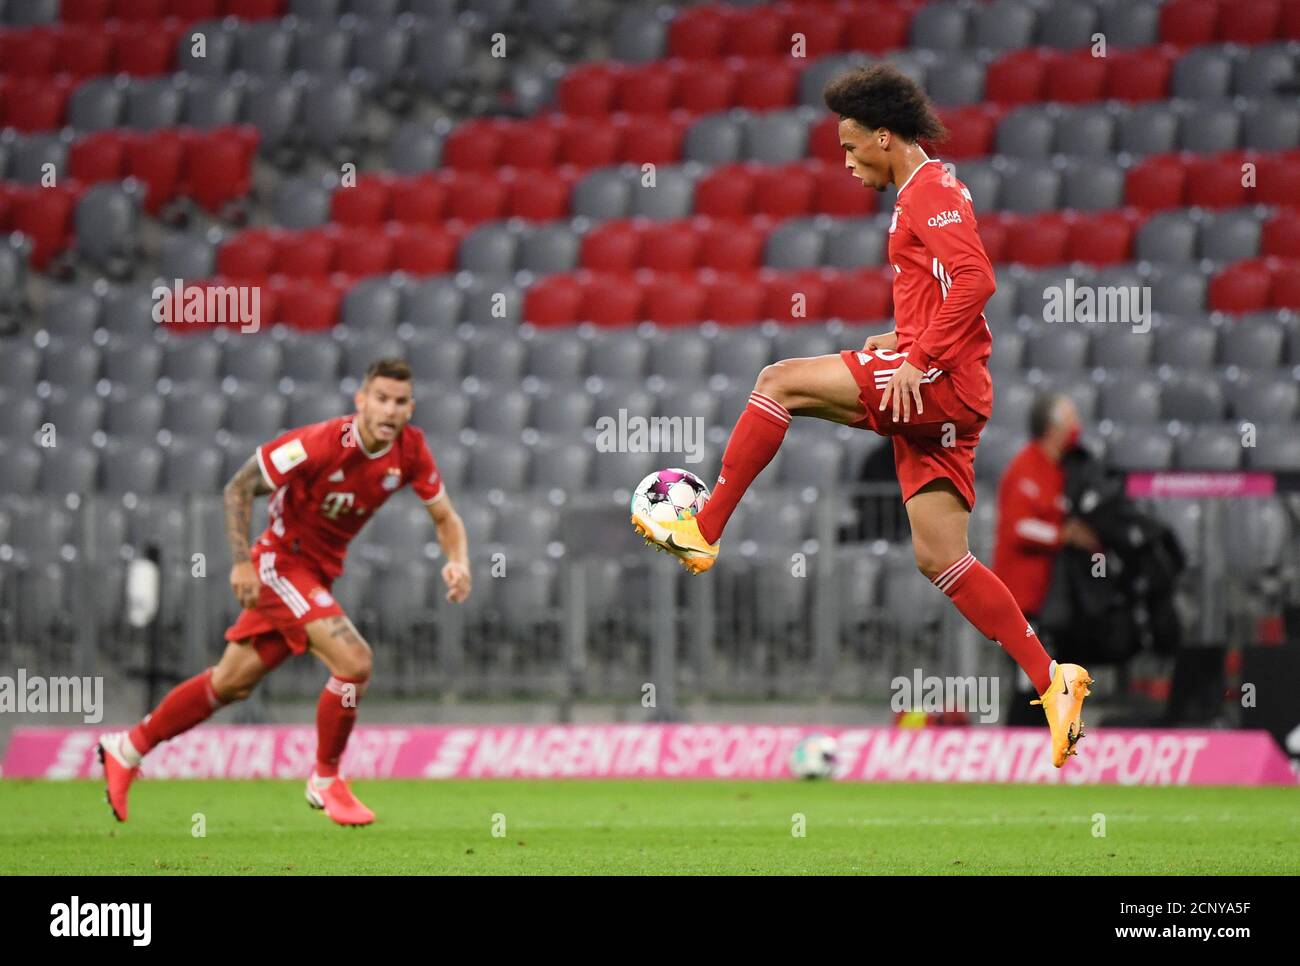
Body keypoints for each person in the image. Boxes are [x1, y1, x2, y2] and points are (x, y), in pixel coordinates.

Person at [631, 65, 1092, 767]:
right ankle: (1052, 678)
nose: (845, 162)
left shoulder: (929, 189)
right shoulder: (927, 191)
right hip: (946, 396)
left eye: (851, 148)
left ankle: (706, 526)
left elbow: (977, 279)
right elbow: (941, 288)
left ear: (884, 137)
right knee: (941, 556)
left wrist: (918, 358)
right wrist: (902, 340)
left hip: (935, 388)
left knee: (778, 382)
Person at [98, 359, 472, 825]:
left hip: (317, 574)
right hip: (280, 563)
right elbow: (238, 489)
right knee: (354, 662)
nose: (390, 410)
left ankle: (127, 748)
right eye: (381, 398)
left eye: (400, 402)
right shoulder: (318, 444)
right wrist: (242, 563)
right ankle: (325, 779)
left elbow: (446, 518)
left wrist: (458, 560)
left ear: (410, 408)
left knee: (230, 683)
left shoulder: (411, 450)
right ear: (361, 400)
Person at [993, 393, 1101, 722]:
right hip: (1021, 599)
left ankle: (1045, 752)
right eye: (1070, 421)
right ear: (1052, 428)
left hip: (1048, 598)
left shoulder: (1057, 470)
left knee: (1047, 684)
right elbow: (1019, 527)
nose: (1076, 428)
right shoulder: (1026, 468)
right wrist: (1063, 535)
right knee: (1029, 684)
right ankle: (1018, 748)